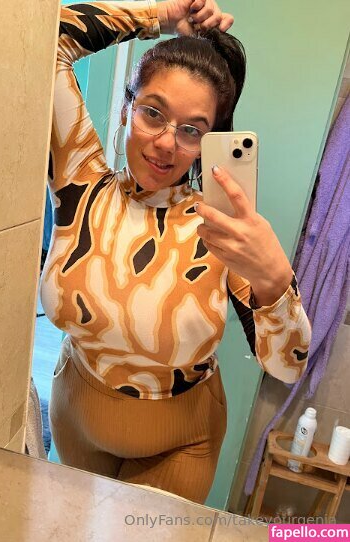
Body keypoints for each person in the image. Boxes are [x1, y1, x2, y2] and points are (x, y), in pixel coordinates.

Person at [42, 0, 311, 504]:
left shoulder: (220, 228)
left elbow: (286, 367)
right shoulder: (81, 182)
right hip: (74, 418)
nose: (167, 143)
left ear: (209, 141)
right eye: (153, 113)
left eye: (192, 130)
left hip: (179, 446)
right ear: (128, 107)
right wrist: (160, 16)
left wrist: (276, 281)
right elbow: (47, 38)